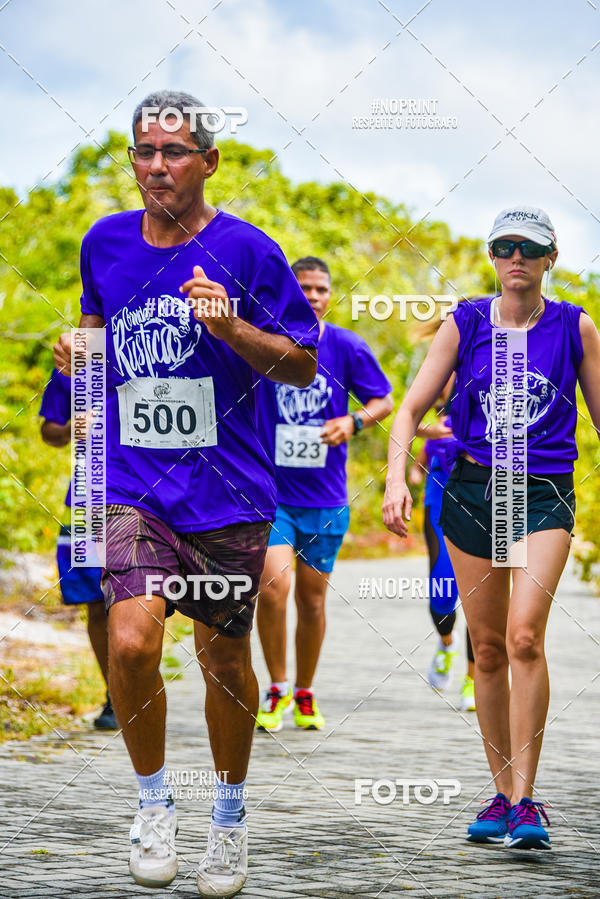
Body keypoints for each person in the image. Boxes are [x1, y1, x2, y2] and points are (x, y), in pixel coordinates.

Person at [53, 90, 318, 896]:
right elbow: (103, 331)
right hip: (133, 483)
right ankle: (153, 801)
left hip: (228, 489)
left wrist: (233, 328)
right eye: (143, 151)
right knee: (131, 642)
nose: (155, 166)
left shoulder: (251, 252)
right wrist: (78, 353)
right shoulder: (104, 243)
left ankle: (229, 817)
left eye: (172, 152)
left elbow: (302, 363)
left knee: (223, 654)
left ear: (209, 160)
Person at [383, 206, 600, 851]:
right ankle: (501, 793)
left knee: (525, 635)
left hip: (542, 492)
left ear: (549, 258)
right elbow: (409, 410)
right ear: (492, 257)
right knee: (486, 648)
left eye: (528, 248)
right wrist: (396, 481)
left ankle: (529, 801)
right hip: (476, 488)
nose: (515, 258)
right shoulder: (466, 322)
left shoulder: (574, 326)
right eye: (503, 247)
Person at [255, 256, 393, 731]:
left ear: (330, 295)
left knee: (312, 602)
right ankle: (275, 687)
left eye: (320, 289)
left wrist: (352, 421)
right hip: (271, 494)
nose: (313, 296)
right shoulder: (265, 343)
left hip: (325, 497)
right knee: (273, 588)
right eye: (304, 287)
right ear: (289, 292)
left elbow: (385, 400)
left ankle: (305, 691)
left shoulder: (346, 346)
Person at [39, 368, 117, 730]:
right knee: (96, 602)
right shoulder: (75, 362)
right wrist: (74, 429)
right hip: (89, 497)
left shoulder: (162, 343)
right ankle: (115, 695)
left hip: (155, 498)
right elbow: (49, 431)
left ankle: (141, 682)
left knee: (148, 601)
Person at [407, 379, 476, 712]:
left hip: (482, 499)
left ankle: (474, 681)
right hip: (439, 500)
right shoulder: (435, 403)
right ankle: (446, 643)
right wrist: (414, 474)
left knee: (481, 595)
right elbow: (410, 419)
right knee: (442, 591)